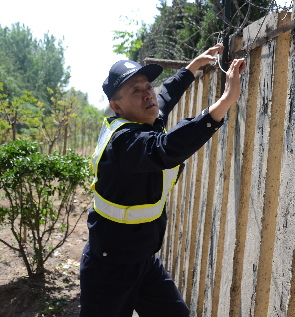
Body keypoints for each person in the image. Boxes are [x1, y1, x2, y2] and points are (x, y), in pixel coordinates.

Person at [79, 43, 246, 317]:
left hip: (142, 259)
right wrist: (225, 101)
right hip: (109, 266)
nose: (148, 96)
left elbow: (166, 95)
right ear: (116, 106)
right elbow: (166, 148)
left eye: (148, 87)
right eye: (136, 91)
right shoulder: (124, 142)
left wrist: (192, 68)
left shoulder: (146, 119)